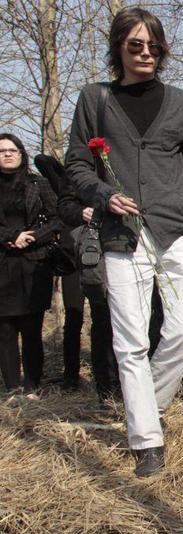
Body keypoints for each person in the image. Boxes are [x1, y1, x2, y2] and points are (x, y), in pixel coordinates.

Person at [65, 7, 183, 476]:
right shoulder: (95, 99)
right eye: (136, 45)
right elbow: (76, 165)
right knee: (131, 340)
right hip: (121, 235)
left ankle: (148, 405)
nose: (147, 53)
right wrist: (104, 194)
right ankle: (146, 439)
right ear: (119, 48)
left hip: (174, 229)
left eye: (154, 46)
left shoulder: (181, 102)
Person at [36, 154, 122, 401]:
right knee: (82, 317)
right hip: (79, 255)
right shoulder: (74, 177)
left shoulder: (119, 173)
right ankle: (81, 379)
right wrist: (82, 209)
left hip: (115, 250)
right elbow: (42, 161)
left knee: (112, 319)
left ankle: (118, 381)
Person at [0, 133, 60, 394]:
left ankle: (32, 386)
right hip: (2, 261)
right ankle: (12, 389)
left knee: (32, 328)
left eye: (12, 150)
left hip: (34, 263)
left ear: (21, 154)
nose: (7, 154)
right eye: (1, 151)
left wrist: (33, 237)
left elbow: (58, 218)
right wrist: (10, 237)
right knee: (5, 330)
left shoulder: (38, 183)